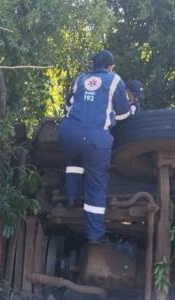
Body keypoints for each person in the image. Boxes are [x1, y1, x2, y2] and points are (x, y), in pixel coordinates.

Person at [58, 50, 132, 243]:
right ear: (111, 66)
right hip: (96, 139)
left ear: (93, 64)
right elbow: (123, 116)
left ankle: (71, 197)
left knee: (74, 160)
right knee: (96, 184)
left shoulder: (80, 79)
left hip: (69, 132)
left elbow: (67, 108)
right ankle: (95, 234)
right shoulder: (115, 80)